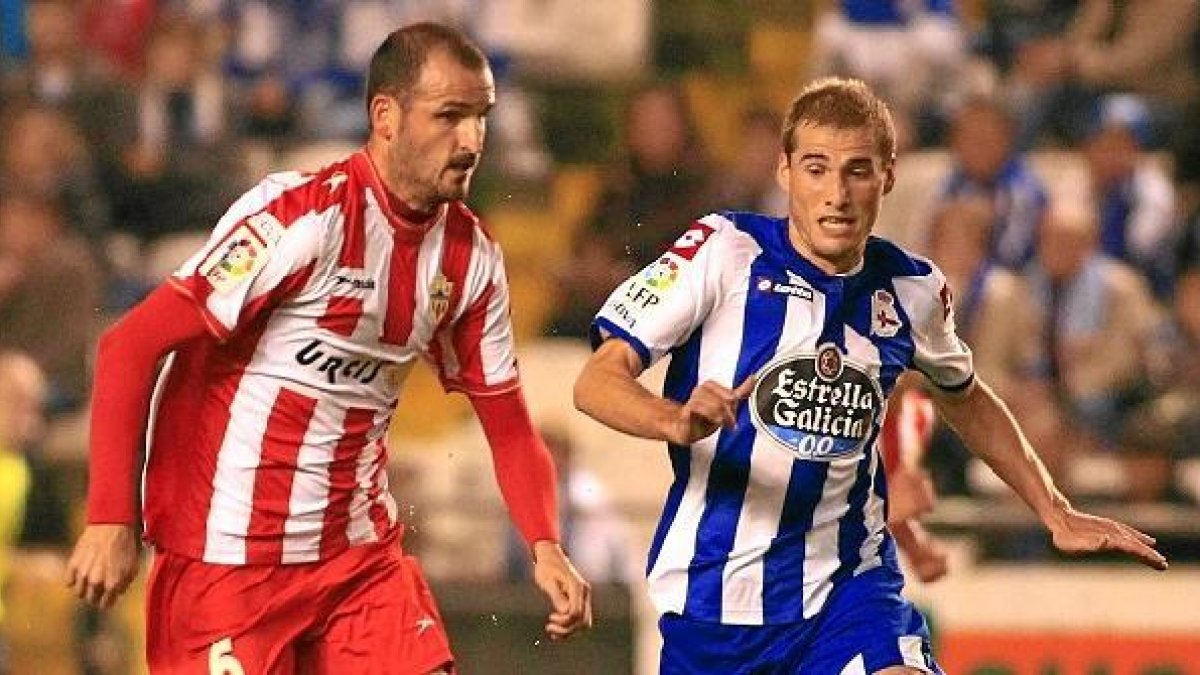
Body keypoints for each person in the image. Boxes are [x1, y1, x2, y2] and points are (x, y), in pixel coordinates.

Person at [573, 77, 1167, 674]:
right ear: (784, 172)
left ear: (887, 175)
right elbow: (596, 381)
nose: (837, 193)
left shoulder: (911, 289)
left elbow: (966, 397)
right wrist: (672, 418)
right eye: (816, 169)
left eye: (857, 170)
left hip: (847, 590)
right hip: (713, 604)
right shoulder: (720, 250)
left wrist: (1053, 507)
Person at [64, 22, 591, 674]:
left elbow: (508, 423)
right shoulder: (301, 219)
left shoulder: (470, 257)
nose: (472, 140)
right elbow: (128, 347)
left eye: (481, 117)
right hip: (228, 567)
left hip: (357, 568)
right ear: (386, 116)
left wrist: (545, 543)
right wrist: (111, 518)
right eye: (450, 116)